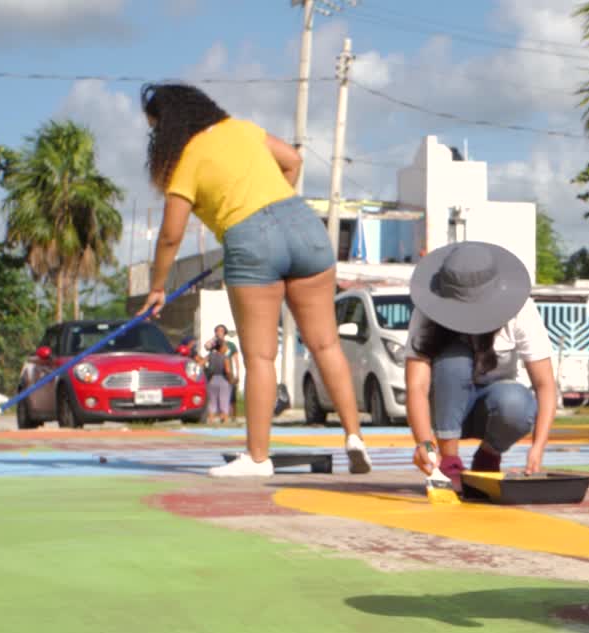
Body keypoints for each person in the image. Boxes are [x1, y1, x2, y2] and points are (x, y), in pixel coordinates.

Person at [135, 83, 371, 477]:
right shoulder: (241, 129)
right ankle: (354, 437)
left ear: (170, 126)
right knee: (326, 344)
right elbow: (293, 161)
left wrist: (158, 287)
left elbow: (171, 234)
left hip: (249, 240)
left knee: (261, 357)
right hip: (303, 226)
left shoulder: (187, 160)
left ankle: (258, 458)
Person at [404, 242, 556, 492]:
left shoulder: (521, 310)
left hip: (489, 410)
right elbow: (416, 386)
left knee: (516, 403)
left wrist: (538, 447)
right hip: (443, 413)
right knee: (453, 362)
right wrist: (425, 445)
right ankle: (450, 462)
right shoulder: (427, 311)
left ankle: (487, 456)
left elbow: (545, 384)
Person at [201, 334, 235, 424]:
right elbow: (227, 370)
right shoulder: (225, 357)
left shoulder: (210, 356)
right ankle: (224, 419)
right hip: (223, 380)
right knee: (224, 399)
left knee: (212, 400)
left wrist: (206, 370)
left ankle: (211, 419)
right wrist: (231, 379)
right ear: (221, 347)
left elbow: (201, 363)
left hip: (212, 380)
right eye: (225, 346)